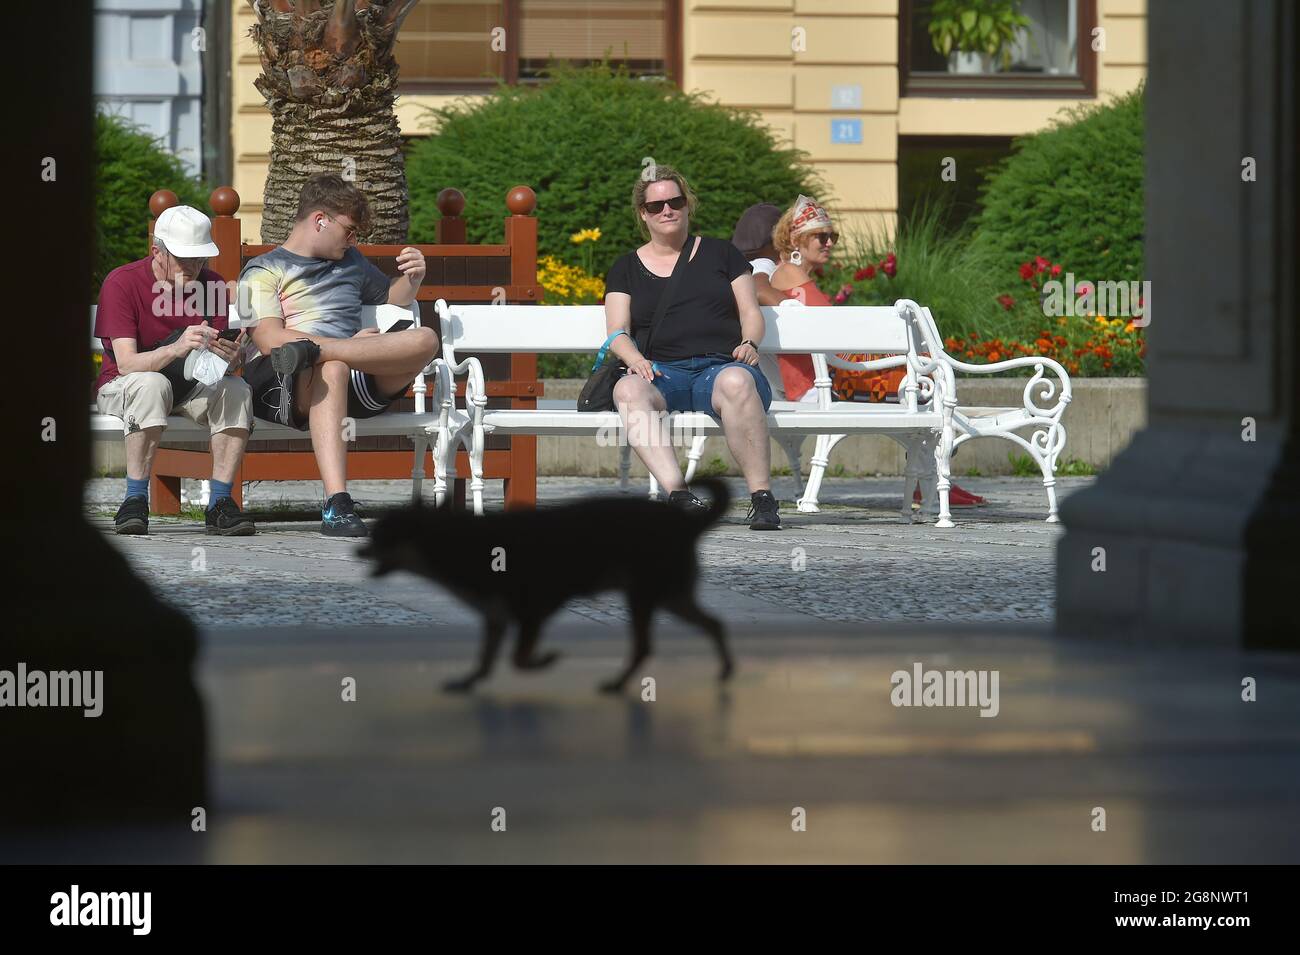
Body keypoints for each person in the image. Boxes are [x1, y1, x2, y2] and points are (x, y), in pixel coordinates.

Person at [237, 174, 439, 537]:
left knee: (425, 338)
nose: (354, 240)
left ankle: (329, 352)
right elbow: (268, 339)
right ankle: (337, 503)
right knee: (333, 366)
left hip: (350, 374)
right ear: (320, 220)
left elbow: (393, 297)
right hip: (283, 382)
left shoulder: (352, 262)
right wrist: (349, 350)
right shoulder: (260, 271)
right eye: (349, 231)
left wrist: (413, 278)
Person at [604, 165, 782, 530]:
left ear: (688, 205)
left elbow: (751, 312)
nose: (667, 210)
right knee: (626, 388)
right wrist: (635, 359)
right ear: (643, 213)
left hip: (718, 369)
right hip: (661, 372)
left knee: (737, 381)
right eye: (656, 206)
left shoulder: (724, 254)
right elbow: (616, 331)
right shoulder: (625, 267)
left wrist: (750, 343)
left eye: (675, 201)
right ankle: (679, 496)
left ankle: (762, 499)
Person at [94, 205, 255, 537]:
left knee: (236, 389)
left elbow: (213, 369)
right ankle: (135, 500)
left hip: (189, 386)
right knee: (152, 384)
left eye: (201, 259)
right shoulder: (122, 283)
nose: (195, 267)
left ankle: (220, 504)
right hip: (125, 384)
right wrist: (177, 348)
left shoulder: (211, 284)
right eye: (185, 259)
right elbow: (127, 363)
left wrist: (232, 357)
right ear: (157, 252)